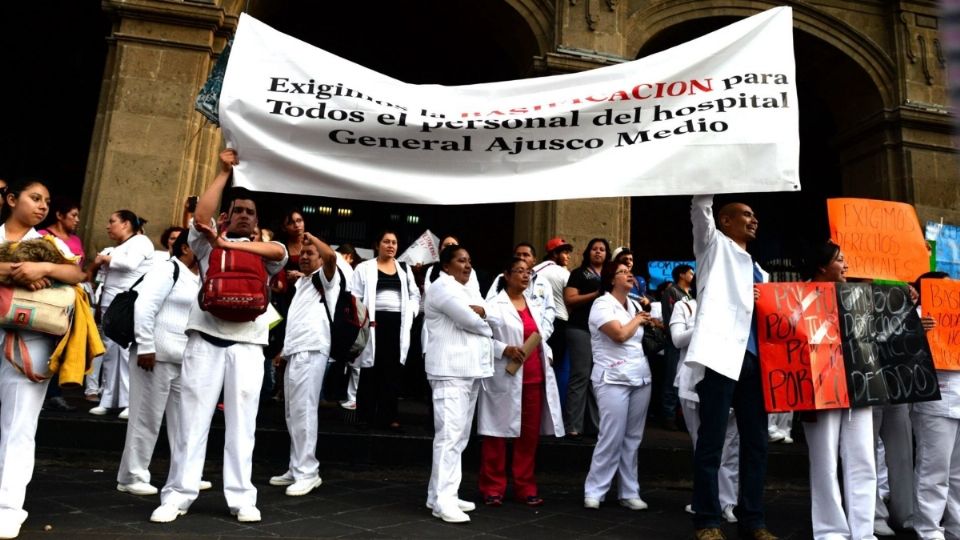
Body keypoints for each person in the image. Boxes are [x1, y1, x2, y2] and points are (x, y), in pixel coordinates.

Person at [150, 148, 287, 524]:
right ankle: (178, 493)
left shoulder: (268, 249)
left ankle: (242, 496)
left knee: (243, 424)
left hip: (247, 346)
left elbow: (279, 250)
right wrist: (224, 172)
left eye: (250, 213)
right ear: (227, 217)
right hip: (205, 342)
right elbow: (201, 216)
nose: (244, 216)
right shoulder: (207, 241)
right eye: (238, 211)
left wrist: (231, 245)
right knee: (192, 421)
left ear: (257, 222)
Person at [685, 195, 775, 540]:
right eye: (746, 215)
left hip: (754, 362)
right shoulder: (712, 246)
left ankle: (754, 520)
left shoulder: (760, 269)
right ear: (725, 221)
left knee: (757, 445)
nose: (754, 220)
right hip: (721, 359)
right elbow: (700, 209)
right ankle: (707, 521)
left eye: (755, 215)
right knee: (712, 443)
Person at [0, 179, 86, 540]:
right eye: (34, 198)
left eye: (46, 202)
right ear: (10, 199)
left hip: (29, 337)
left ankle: (7, 508)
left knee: (19, 425)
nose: (42, 206)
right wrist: (16, 271)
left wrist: (44, 269)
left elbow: (77, 272)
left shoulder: (48, 244)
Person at [116, 233, 208, 496]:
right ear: (185, 247)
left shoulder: (197, 276)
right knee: (145, 417)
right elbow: (144, 307)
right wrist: (145, 345)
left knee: (185, 421)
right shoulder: (167, 269)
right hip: (154, 355)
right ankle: (132, 476)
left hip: (183, 358)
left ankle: (185, 473)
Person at [800, 241, 876, 540]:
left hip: (858, 385)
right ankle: (830, 530)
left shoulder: (856, 296)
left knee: (863, 458)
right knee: (824, 459)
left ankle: (863, 531)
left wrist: (903, 299)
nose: (845, 265)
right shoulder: (796, 296)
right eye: (840, 260)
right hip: (819, 389)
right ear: (822, 266)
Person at [478, 257, 564, 507]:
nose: (525, 276)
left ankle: (525, 485)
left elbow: (542, 334)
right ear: (506, 275)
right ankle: (493, 486)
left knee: (528, 436)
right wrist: (504, 349)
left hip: (535, 377)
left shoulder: (534, 304)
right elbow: (482, 338)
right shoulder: (493, 304)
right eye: (519, 271)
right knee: (496, 433)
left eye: (528, 272)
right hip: (506, 376)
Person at [424, 245, 493, 523]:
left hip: (470, 372)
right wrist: (485, 318)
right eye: (461, 261)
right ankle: (443, 501)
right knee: (449, 437)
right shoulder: (441, 287)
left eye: (469, 261)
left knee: (459, 439)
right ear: (446, 266)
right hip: (449, 372)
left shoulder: (469, 289)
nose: (467, 265)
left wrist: (483, 314)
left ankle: (442, 494)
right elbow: (470, 319)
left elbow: (485, 311)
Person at [269, 232, 340, 497]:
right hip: (296, 351)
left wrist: (312, 238)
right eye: (304, 253)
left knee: (305, 411)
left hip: (312, 350)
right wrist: (284, 351)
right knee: (292, 412)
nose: (305, 257)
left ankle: (308, 471)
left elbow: (332, 256)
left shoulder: (327, 280)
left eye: (311, 254)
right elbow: (296, 321)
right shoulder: (302, 284)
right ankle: (296, 466)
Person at [582, 261, 653, 511]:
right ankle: (594, 490)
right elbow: (619, 335)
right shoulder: (602, 304)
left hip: (640, 376)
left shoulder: (633, 303)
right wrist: (638, 320)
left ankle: (629, 491)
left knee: (633, 438)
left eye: (629, 271)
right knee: (611, 435)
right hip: (612, 377)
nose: (628, 275)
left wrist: (643, 318)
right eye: (622, 272)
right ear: (611, 279)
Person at [671, 284, 741, 524]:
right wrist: (705, 323)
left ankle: (728, 501)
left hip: (729, 381)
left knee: (730, 446)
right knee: (702, 446)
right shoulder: (685, 306)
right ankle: (705, 500)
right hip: (693, 385)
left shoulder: (738, 307)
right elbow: (677, 339)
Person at [349, 230, 420, 430]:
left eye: (394, 242)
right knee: (370, 369)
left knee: (392, 370)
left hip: (397, 325)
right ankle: (365, 415)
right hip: (373, 324)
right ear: (377, 244)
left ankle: (389, 415)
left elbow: (415, 295)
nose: (391, 246)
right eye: (386, 242)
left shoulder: (404, 269)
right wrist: (362, 317)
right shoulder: (364, 268)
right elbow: (354, 296)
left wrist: (412, 313)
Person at [88, 209, 155, 418]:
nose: (108, 226)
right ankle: (108, 399)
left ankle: (130, 402)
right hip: (110, 305)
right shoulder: (116, 247)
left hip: (128, 305)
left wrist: (104, 259)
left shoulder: (141, 242)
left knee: (127, 355)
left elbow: (129, 264)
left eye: (112, 221)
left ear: (126, 224)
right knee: (110, 354)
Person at [910, 271, 958, 540]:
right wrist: (918, 334)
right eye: (944, 289)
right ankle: (929, 530)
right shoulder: (916, 317)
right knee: (933, 468)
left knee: (958, 473)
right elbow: (899, 354)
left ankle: (956, 527)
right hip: (935, 403)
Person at [37, 197, 84, 412]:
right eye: (73, 215)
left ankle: (55, 392)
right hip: (45, 296)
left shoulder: (76, 240)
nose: (76, 220)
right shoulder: (42, 237)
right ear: (59, 215)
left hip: (68, 297)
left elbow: (81, 270)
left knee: (61, 344)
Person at [563, 238, 610, 439]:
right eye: (594, 249)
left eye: (602, 249)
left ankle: (594, 426)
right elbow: (570, 300)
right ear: (588, 252)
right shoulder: (578, 273)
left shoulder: (610, 275)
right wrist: (596, 294)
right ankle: (573, 426)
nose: (598, 252)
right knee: (580, 375)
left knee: (596, 378)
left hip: (602, 332)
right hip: (580, 328)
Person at [533, 237, 573, 404]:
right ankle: (556, 410)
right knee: (560, 369)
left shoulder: (533, 270)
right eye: (564, 252)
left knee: (539, 367)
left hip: (536, 323)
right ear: (554, 253)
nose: (568, 256)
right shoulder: (564, 273)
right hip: (560, 323)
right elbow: (570, 301)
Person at [660, 263, 695, 431]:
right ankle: (668, 416)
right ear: (681, 275)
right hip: (675, 341)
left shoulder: (692, 295)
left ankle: (681, 416)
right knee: (671, 377)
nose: (693, 275)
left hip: (689, 342)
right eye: (690, 272)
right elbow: (669, 318)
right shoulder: (672, 291)